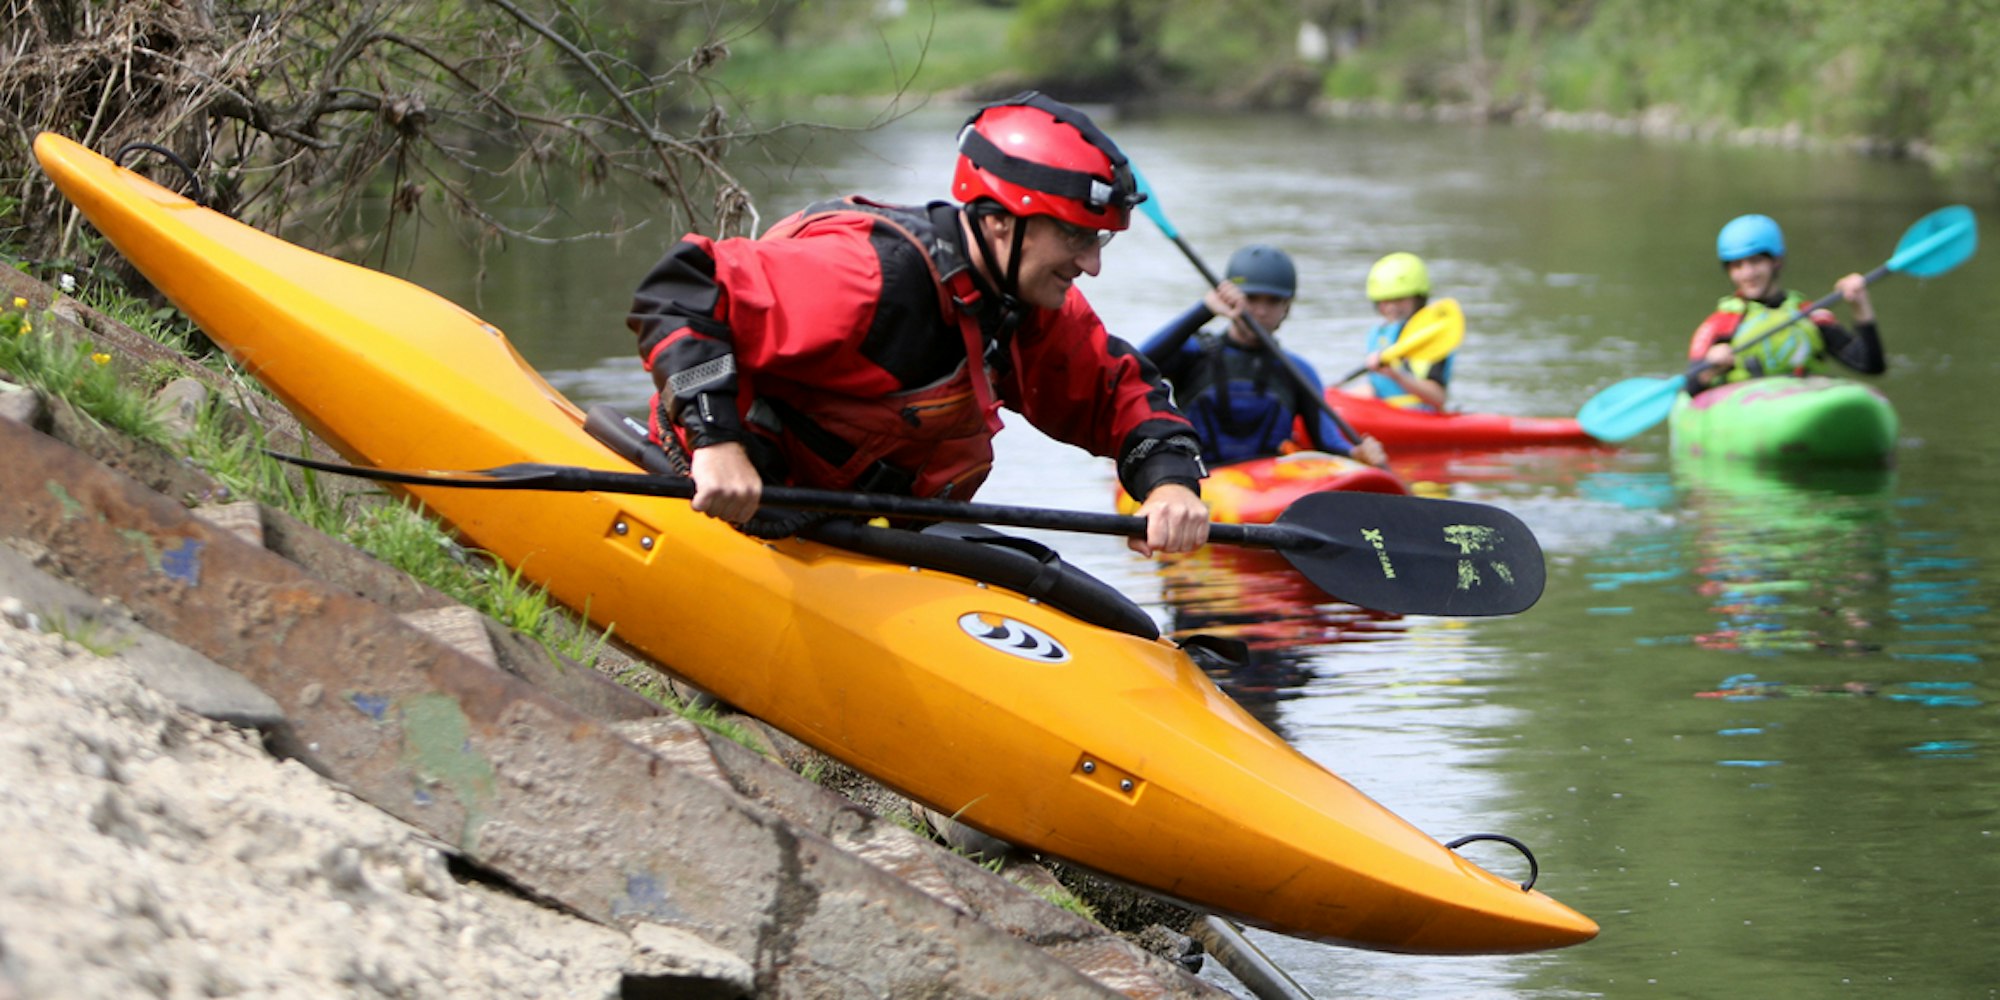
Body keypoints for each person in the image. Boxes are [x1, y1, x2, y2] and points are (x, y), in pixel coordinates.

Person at [626, 91, 1210, 556]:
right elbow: (683, 289)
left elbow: (1119, 392)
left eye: (1100, 238)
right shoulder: (868, 275)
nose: (1092, 264)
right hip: (716, 500)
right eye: (1077, 236)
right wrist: (716, 442)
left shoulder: (1022, 308)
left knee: (1033, 570)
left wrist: (1170, 484)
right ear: (1003, 221)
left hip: (852, 532)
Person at [1138, 244, 1389, 468]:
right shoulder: (1194, 355)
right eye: (1251, 298)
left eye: (1273, 301)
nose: (1260, 311)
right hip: (1201, 479)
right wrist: (1204, 311)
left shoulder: (1297, 371)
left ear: (1286, 307)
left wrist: (1356, 453)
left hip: (1269, 489)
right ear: (1230, 299)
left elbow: (1327, 440)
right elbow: (1135, 366)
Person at [1685, 213, 1882, 394]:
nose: (1748, 274)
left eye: (1756, 261)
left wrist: (1860, 306)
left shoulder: (1809, 315)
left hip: (1807, 403)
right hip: (1747, 407)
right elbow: (1690, 389)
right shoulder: (1720, 324)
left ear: (1776, 262)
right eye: (1737, 266)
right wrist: (1710, 368)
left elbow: (1871, 366)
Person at [1350, 251, 1452, 411]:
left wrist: (1396, 375)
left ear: (1418, 299)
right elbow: (1374, 389)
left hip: (1421, 417)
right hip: (1383, 413)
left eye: (1399, 299)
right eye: (1384, 301)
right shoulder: (1379, 334)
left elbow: (1438, 397)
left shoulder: (1430, 337)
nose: (1391, 307)